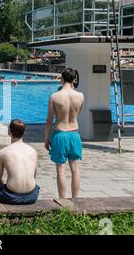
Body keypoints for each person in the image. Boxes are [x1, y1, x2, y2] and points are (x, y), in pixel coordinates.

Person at [45, 68, 84, 199]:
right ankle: (75, 199)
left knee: (61, 170)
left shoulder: (54, 97)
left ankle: (62, 200)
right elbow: (78, 114)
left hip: (60, 134)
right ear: (74, 80)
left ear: (61, 79)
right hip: (74, 134)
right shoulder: (80, 96)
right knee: (75, 170)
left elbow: (49, 120)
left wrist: (46, 138)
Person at [0, 120, 40, 205]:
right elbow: (33, 176)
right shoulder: (33, 151)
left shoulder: (3, 152)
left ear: (9, 132)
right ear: (23, 132)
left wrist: (5, 183)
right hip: (32, 195)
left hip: (12, 196)